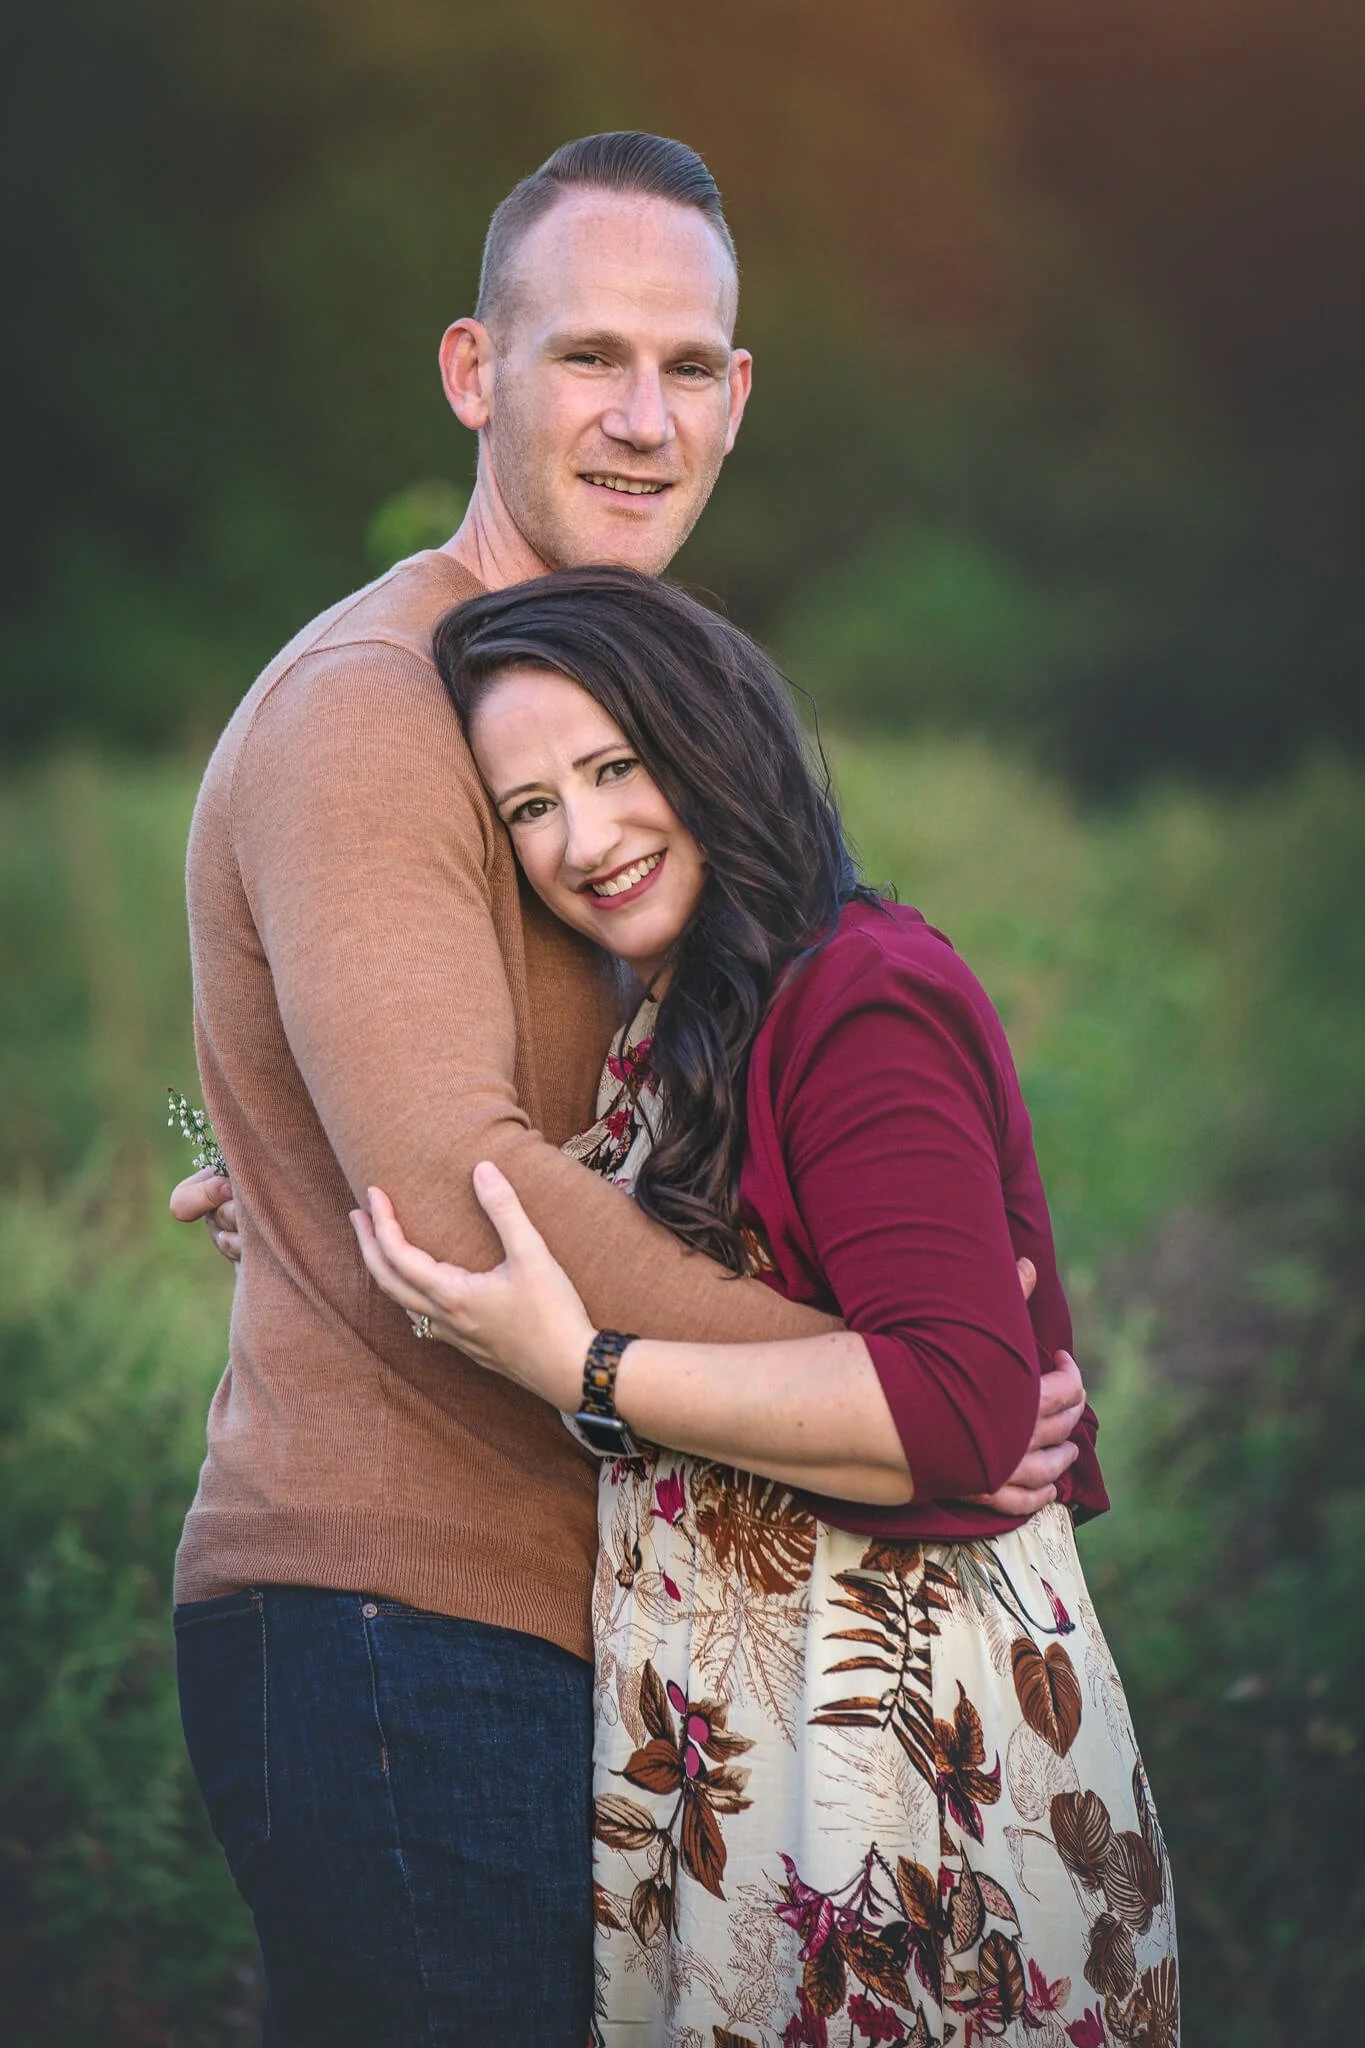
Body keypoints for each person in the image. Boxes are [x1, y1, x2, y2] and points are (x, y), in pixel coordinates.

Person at [171, 133, 1093, 2047]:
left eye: (689, 368)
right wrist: (887, 1394)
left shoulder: (607, 729)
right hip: (398, 1623)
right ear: (471, 373)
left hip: (581, 1637)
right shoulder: (375, 706)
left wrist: (922, 1375)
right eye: (589, 356)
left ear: (742, 400)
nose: (644, 418)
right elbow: (450, 1189)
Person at [351, 566, 1177, 2048]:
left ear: (711, 739)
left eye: (615, 769)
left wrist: (587, 1367)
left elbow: (956, 1409)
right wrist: (278, 1193)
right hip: (760, 1762)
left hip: (911, 1766)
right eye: (529, 805)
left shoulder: (856, 995)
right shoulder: (676, 1029)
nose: (582, 840)